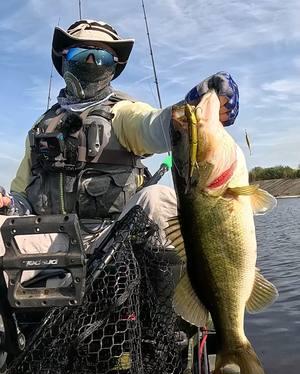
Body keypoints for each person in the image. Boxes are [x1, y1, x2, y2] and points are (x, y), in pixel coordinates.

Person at [0, 19, 239, 283]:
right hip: (50, 239)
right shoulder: (39, 129)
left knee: (158, 199)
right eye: (80, 53)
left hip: (116, 239)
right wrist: (8, 203)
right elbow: (21, 202)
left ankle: (176, 305)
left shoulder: (123, 113)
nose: (91, 62)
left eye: (101, 56)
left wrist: (189, 109)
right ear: (63, 59)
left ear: (113, 67)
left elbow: (154, 126)